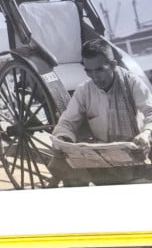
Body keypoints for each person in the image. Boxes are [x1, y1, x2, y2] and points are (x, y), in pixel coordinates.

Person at [49, 39, 152, 186]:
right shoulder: (84, 90)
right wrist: (62, 138)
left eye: (99, 70)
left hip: (138, 153)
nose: (94, 77)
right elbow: (67, 122)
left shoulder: (132, 83)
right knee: (59, 164)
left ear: (113, 65)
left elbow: (150, 112)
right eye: (89, 71)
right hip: (103, 160)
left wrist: (146, 133)